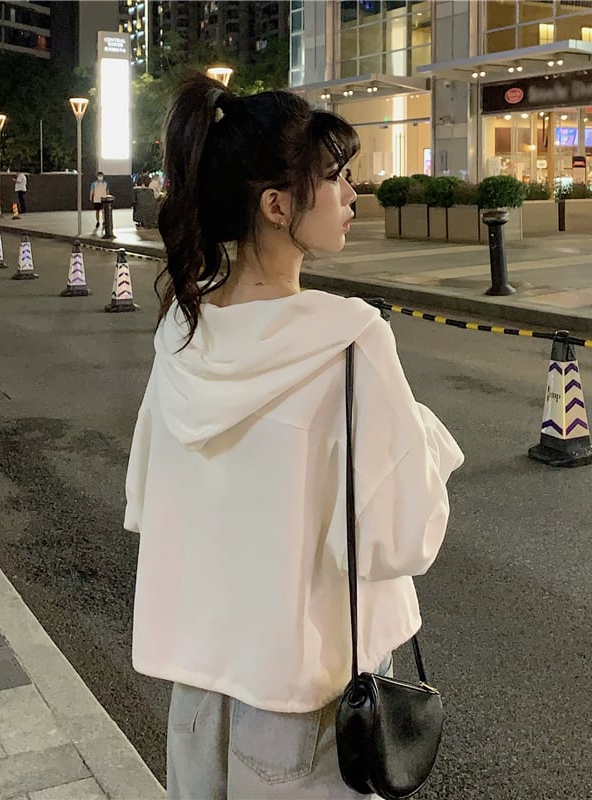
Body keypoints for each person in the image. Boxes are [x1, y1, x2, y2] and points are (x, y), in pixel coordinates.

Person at [123, 72, 464, 799]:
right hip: (305, 704)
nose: (352, 196)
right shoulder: (349, 343)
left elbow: (148, 499)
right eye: (335, 179)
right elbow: (402, 538)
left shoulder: (182, 332)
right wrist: (427, 440)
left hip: (199, 696)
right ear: (277, 206)